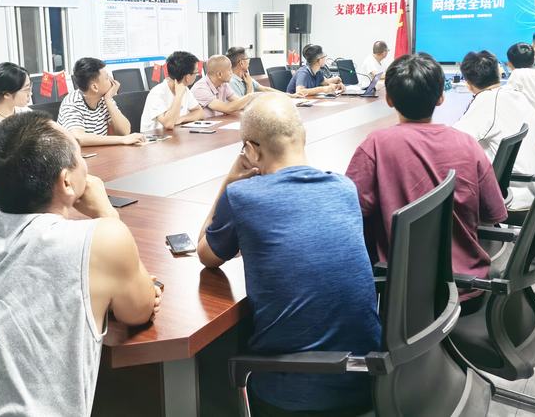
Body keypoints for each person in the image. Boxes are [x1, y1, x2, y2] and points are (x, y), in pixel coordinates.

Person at [0, 112, 162, 416]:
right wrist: (107, 213)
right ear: (66, 181)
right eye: (79, 154)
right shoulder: (104, 238)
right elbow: (138, 310)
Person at [197, 94, 380, 415]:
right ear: (303, 136)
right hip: (369, 379)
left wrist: (230, 180)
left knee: (213, 359)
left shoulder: (243, 196)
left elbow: (206, 255)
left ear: (250, 150)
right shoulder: (344, 188)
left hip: (294, 395)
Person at [346, 54, 507, 310]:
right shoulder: (467, 143)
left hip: (403, 297)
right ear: (441, 97)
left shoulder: (376, 145)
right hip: (467, 289)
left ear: (389, 100)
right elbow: (493, 213)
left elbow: (351, 215)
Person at [454, 51, 535, 211]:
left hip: (513, 193)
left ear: (468, 84)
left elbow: (453, 142)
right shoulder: (517, 95)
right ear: (499, 73)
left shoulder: (488, 100)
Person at [57, 57, 146, 147]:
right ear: (95, 87)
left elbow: (125, 131)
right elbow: (79, 138)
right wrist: (122, 140)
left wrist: (108, 100)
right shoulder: (72, 102)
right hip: (77, 154)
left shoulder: (104, 99)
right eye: (107, 78)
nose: (112, 81)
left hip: (99, 152)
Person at [140, 51, 205, 131]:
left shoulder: (185, 89)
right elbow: (168, 124)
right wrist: (178, 96)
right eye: (196, 72)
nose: (196, 75)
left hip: (175, 134)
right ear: (187, 77)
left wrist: (182, 118)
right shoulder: (157, 93)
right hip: (156, 137)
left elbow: (200, 112)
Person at [191, 54, 258, 117]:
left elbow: (238, 102)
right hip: (203, 124)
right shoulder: (200, 88)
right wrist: (251, 96)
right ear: (219, 74)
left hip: (218, 122)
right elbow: (227, 108)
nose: (232, 73)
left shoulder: (223, 84)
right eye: (229, 70)